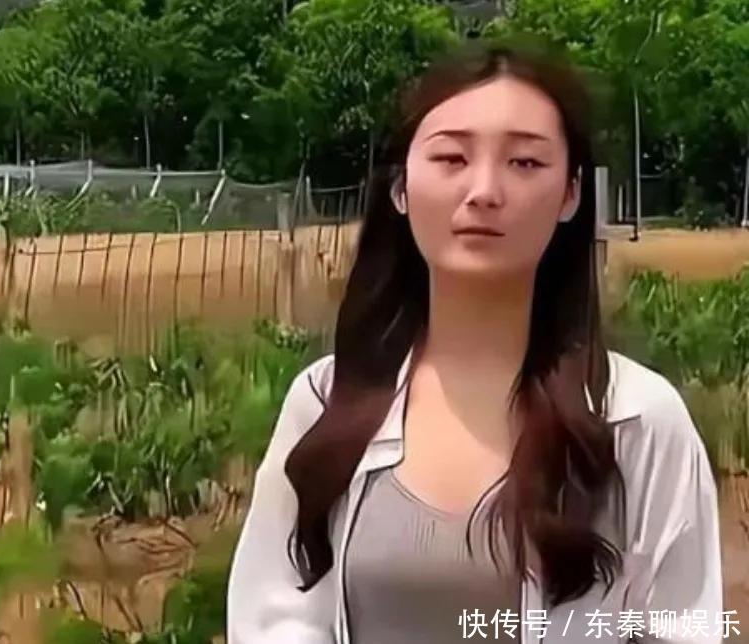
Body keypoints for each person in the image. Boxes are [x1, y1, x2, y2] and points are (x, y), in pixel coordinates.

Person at [226, 40, 723, 644]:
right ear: (400, 188)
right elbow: (275, 615)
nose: (484, 190)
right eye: (451, 158)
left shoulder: (636, 420)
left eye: (525, 163)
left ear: (571, 194)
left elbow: (682, 626)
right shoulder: (327, 400)